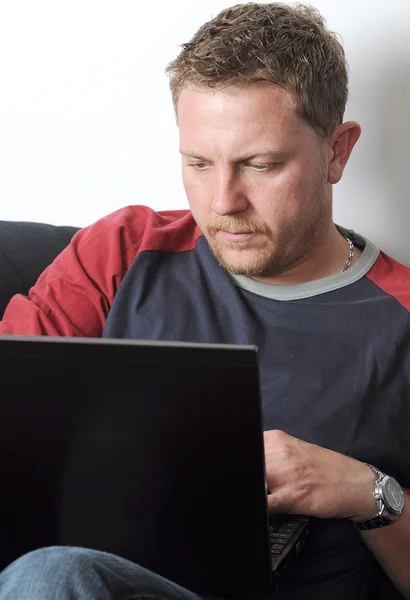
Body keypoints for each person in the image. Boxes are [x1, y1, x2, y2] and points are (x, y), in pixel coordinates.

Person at [0, 2, 409, 599]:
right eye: (198, 163)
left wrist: (369, 491)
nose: (222, 202)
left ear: (337, 152)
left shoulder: (398, 318)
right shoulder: (123, 250)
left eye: (261, 165)